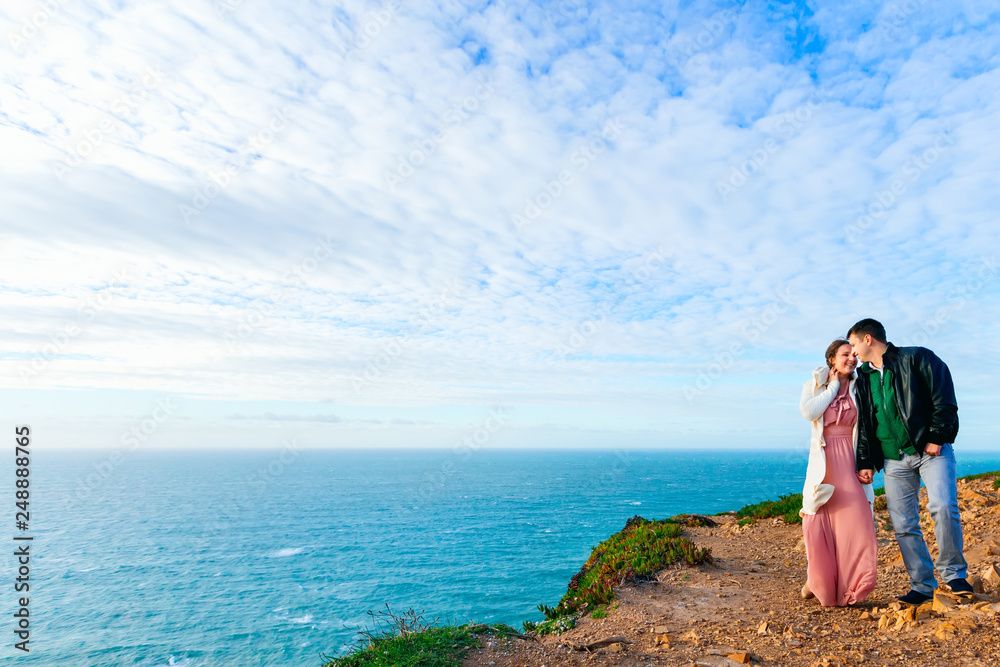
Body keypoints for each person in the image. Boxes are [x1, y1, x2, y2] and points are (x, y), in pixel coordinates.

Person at [848, 318, 971, 605]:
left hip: (930, 452)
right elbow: (866, 423)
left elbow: (945, 399)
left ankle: (954, 575)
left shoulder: (917, 357)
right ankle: (922, 585)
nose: (852, 352)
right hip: (893, 460)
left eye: (853, 344)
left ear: (868, 339)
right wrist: (865, 460)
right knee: (903, 525)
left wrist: (937, 436)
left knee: (943, 507)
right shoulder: (863, 378)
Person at [798, 339, 878, 606]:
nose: (852, 358)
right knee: (819, 522)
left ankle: (853, 586)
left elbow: (869, 426)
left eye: (854, 354)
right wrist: (832, 387)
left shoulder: (861, 386)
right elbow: (809, 412)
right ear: (832, 359)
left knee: (857, 525)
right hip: (824, 462)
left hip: (850, 461)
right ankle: (818, 581)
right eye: (846, 354)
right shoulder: (814, 385)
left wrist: (870, 462)